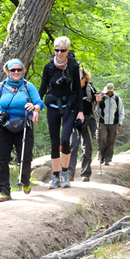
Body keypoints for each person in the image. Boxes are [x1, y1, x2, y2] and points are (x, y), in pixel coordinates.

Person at [0, 59, 41, 201]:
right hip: (4, 126)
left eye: (19, 69)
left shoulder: (28, 86)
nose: (16, 72)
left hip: (24, 125)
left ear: (23, 71)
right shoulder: (0, 87)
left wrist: (35, 108)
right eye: (13, 70)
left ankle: (25, 181)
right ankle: (4, 191)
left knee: (25, 157)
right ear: (7, 71)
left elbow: (39, 103)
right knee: (2, 158)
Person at [40, 36, 84, 189]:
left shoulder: (73, 66)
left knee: (65, 139)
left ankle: (65, 173)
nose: (59, 53)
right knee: (54, 142)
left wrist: (81, 111)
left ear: (68, 51)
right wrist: (36, 107)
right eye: (56, 50)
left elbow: (78, 90)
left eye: (62, 50)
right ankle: (55, 176)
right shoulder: (49, 67)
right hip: (52, 106)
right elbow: (42, 88)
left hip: (70, 106)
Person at [74, 68, 100, 182]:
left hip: (89, 120)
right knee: (72, 146)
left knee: (87, 148)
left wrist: (99, 99)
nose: (78, 80)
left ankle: (85, 174)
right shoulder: (71, 88)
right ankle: (69, 172)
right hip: (74, 121)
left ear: (85, 78)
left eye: (80, 78)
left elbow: (98, 99)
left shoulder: (90, 88)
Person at [96, 82, 125, 166]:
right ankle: (101, 156)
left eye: (111, 91)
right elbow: (97, 110)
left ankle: (108, 159)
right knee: (102, 139)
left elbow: (121, 111)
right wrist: (97, 122)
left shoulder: (117, 99)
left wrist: (120, 123)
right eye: (108, 91)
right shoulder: (102, 98)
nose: (109, 93)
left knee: (111, 140)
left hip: (114, 123)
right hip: (103, 122)